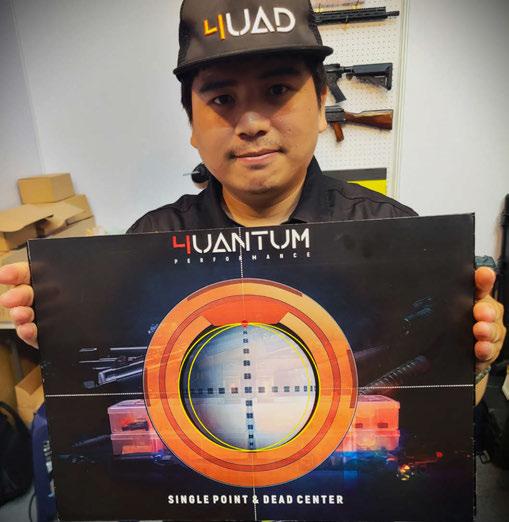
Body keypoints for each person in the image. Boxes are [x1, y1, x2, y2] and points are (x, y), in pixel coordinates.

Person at [0, 0, 505, 406]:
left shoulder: (393, 234)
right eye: (222, 100)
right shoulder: (149, 242)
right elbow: (120, 399)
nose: (251, 123)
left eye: (278, 89)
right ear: (192, 126)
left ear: (322, 103)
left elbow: (445, 414)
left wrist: (473, 360)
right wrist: (68, 340)